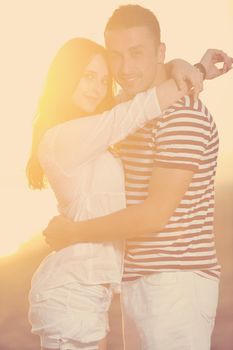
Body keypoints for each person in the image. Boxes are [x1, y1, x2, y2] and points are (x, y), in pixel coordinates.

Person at [43, 5, 233, 350]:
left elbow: (155, 214)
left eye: (137, 53)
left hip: (174, 282)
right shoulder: (131, 109)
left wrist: (74, 232)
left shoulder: (182, 116)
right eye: (116, 56)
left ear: (161, 52)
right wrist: (192, 68)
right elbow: (125, 109)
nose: (125, 69)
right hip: (138, 283)